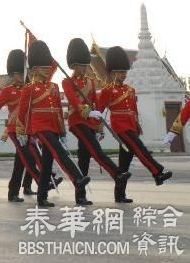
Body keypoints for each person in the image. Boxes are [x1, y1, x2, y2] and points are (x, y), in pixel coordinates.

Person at [17, 40, 89, 207]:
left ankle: (41, 197)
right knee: (60, 153)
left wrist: (62, 132)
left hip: (54, 127)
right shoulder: (29, 88)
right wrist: (21, 132)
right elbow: (23, 112)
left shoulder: (54, 87)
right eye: (43, 67)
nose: (47, 69)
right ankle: (77, 178)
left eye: (47, 66)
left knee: (47, 164)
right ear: (34, 69)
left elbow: (57, 110)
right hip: (40, 128)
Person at [97, 45, 172, 203]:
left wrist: (137, 127)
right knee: (141, 150)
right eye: (120, 72)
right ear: (112, 73)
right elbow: (98, 111)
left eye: (124, 72)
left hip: (131, 127)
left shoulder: (130, 90)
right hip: (121, 128)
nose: (123, 75)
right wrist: (99, 129)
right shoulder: (107, 91)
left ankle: (120, 195)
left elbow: (134, 111)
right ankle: (157, 173)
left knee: (124, 166)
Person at [62, 38, 129, 205]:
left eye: (86, 65)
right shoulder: (67, 82)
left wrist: (99, 126)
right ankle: (116, 173)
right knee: (96, 149)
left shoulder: (91, 82)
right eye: (81, 66)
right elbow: (74, 101)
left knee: (84, 158)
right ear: (73, 66)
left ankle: (80, 196)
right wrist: (87, 111)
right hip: (77, 122)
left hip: (90, 122)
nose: (85, 69)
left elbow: (96, 106)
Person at [0, 49, 37, 201]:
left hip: (29, 128)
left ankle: (23, 188)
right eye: (18, 74)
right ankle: (29, 186)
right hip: (15, 129)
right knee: (28, 157)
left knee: (24, 160)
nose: (21, 77)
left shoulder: (31, 89)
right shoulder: (7, 91)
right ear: (12, 75)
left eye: (23, 73)